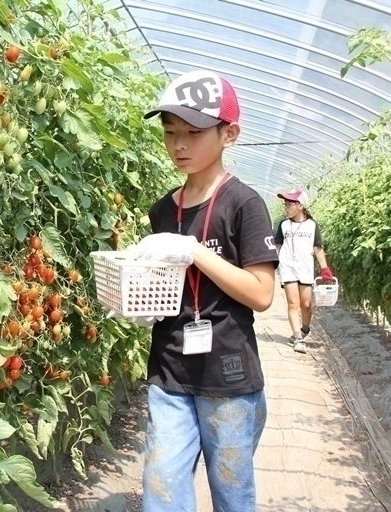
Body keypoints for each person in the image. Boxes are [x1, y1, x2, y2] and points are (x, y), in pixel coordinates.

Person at [126, 69, 279, 512]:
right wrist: (139, 300)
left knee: (231, 494)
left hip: (227, 377)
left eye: (193, 133)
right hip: (170, 369)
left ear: (229, 134)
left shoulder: (244, 204)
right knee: (161, 488)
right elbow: (168, 287)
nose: (179, 144)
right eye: (170, 132)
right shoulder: (163, 209)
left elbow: (261, 293)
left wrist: (194, 251)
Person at [273, 188, 333, 353]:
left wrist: (325, 268)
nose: (286, 207)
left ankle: (305, 328)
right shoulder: (284, 225)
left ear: (300, 205)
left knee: (306, 305)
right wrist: (272, 263)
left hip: (305, 268)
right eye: (285, 204)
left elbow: (318, 248)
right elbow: (277, 246)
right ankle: (298, 338)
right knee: (293, 304)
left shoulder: (312, 226)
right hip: (288, 267)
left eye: (289, 204)